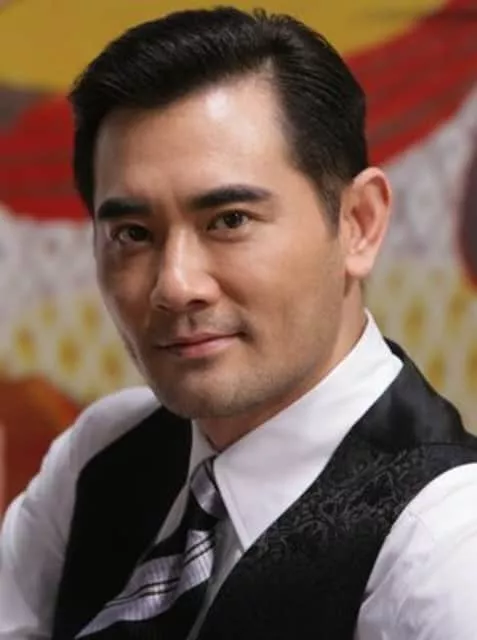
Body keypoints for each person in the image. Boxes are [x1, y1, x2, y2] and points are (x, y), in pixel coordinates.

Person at [1, 6, 477, 640]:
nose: (175, 285)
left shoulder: (445, 548)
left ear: (358, 223)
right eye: (133, 233)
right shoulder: (101, 454)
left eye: (229, 221)